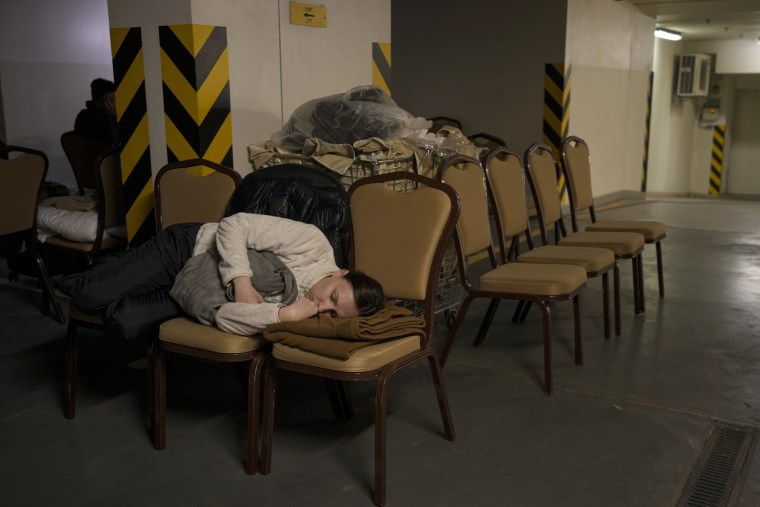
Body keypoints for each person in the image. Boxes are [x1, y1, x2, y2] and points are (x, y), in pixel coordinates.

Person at [64, 213, 385, 342]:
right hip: (187, 251)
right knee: (88, 296)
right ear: (342, 272)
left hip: (200, 290)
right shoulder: (313, 243)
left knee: (124, 323)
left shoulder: (305, 313)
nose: (322, 306)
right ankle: (103, 270)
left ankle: (121, 271)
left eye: (333, 313)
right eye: (333, 296)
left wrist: (282, 315)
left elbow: (233, 317)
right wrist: (241, 281)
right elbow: (235, 225)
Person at [74, 78, 120, 147]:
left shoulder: (108, 116)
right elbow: (112, 142)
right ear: (99, 102)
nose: (115, 104)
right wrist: (115, 117)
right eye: (112, 101)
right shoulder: (85, 118)